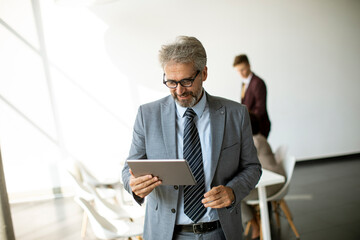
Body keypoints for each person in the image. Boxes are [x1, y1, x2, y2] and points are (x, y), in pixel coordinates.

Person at [122, 36, 262, 240]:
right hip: (166, 233)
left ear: (204, 73)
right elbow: (129, 169)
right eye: (171, 82)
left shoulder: (236, 114)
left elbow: (252, 167)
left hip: (220, 231)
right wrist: (133, 184)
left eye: (186, 81)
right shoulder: (147, 115)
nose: (179, 91)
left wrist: (232, 191)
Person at [241, 113, 285, 240]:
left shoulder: (255, 141)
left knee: (235, 196)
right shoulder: (259, 138)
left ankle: (255, 225)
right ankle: (255, 222)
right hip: (271, 180)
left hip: (271, 184)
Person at [233, 54, 271, 138]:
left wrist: (246, 122)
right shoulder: (244, 83)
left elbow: (260, 109)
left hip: (259, 127)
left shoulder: (258, 83)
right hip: (250, 126)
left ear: (249, 66)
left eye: (242, 69)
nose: (240, 73)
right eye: (238, 71)